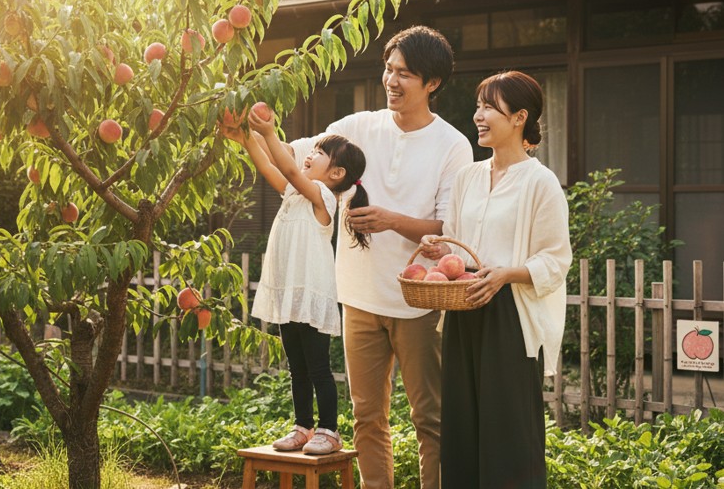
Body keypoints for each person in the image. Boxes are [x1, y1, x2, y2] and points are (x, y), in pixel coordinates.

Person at [282, 26, 474, 488]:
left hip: (418, 301)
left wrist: (391, 219)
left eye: (404, 73)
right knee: (367, 417)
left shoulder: (453, 146)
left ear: (432, 83)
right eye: (388, 69)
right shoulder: (355, 128)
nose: (391, 80)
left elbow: (451, 229)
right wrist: (260, 134)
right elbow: (297, 157)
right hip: (359, 295)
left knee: (430, 418)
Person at [420, 70, 572, 489]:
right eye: (479, 106)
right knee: (461, 426)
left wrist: (508, 273)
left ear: (520, 117)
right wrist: (441, 251)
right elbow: (459, 248)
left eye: (489, 107)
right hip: (463, 306)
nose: (479, 116)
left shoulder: (541, 183)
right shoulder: (468, 177)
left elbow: (557, 259)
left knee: (509, 433)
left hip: (510, 314)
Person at [239, 104, 371, 455]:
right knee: (296, 368)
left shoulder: (323, 197)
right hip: (290, 293)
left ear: (337, 173)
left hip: (311, 296)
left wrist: (268, 134)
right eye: (312, 150)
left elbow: (286, 166)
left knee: (318, 368)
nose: (310, 154)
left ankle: (329, 430)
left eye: (320, 153)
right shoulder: (296, 193)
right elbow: (269, 167)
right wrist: (246, 138)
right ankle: (303, 427)